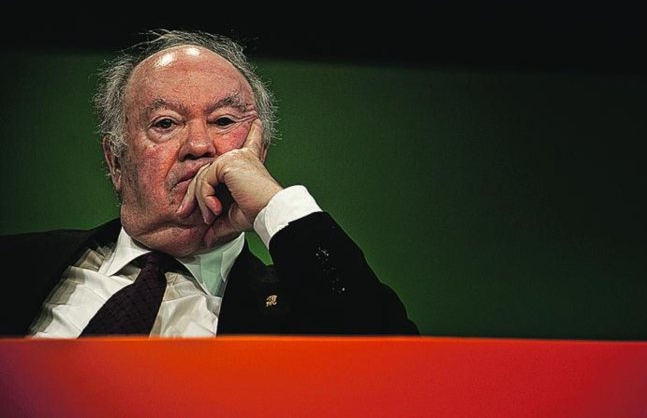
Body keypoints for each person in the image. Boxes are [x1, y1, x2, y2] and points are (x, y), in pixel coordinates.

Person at [0, 29, 418, 338]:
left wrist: (274, 205)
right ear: (116, 162)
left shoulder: (306, 309)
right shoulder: (17, 265)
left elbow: (398, 370)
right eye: (166, 123)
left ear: (257, 155)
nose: (200, 145)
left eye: (224, 121)